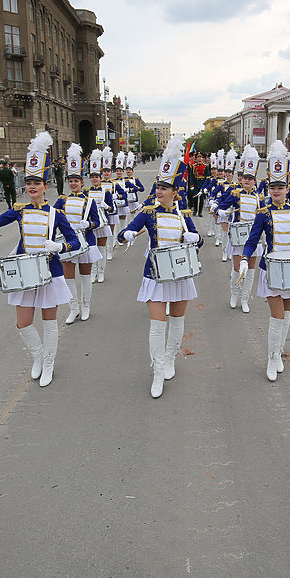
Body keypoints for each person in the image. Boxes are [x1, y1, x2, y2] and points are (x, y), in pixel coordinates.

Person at [0, 132, 80, 386]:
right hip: (25, 271)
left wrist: (59, 245)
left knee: (49, 323)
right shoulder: (19, 209)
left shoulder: (57, 213)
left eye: (37, 182)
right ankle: (38, 356)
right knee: (23, 323)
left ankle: (49, 364)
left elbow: (75, 242)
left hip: (49, 272)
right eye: (29, 182)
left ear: (46, 186)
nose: (32, 186)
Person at [117, 136, 203, 399]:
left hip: (179, 273)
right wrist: (126, 236)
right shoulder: (148, 211)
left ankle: (169, 360)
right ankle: (156, 371)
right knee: (157, 324)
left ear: (175, 191)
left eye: (164, 188)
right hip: (154, 274)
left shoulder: (183, 213)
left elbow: (197, 239)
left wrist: (195, 239)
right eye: (158, 186)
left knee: (177, 321)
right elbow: (126, 231)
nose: (159, 191)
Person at [239, 140, 290, 381]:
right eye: (273, 187)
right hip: (272, 267)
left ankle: (279, 353)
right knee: (276, 315)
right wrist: (244, 258)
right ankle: (271, 358)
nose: (277, 191)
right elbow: (252, 240)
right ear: (268, 189)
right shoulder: (263, 213)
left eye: (281, 187)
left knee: (287, 313)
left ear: (287, 188)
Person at [52, 143, 103, 324]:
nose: (73, 184)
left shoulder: (89, 201)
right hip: (68, 242)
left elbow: (97, 222)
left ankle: (86, 306)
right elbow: (51, 218)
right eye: (70, 181)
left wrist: (87, 224)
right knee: (68, 277)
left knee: (86, 275)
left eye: (76, 181)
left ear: (82, 182)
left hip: (86, 241)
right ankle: (74, 308)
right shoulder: (61, 200)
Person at [216, 144, 263, 313]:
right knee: (237, 268)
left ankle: (245, 298)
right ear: (241, 179)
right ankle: (234, 294)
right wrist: (219, 210)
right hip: (238, 237)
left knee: (250, 270)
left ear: (255, 180)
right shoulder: (235, 193)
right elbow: (219, 204)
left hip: (253, 238)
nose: (248, 180)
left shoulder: (260, 197)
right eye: (245, 178)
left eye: (251, 178)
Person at [86, 149, 115, 283]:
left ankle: (101, 272)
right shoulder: (86, 192)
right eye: (92, 177)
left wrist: (106, 206)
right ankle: (93, 272)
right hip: (91, 223)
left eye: (96, 177)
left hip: (102, 223)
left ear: (100, 178)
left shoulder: (106, 191)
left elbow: (112, 209)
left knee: (101, 248)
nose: (94, 179)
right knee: (92, 249)